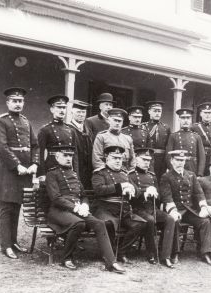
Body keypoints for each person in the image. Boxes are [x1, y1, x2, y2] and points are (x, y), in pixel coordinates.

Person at [45, 145, 125, 273]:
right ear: (57, 157)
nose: (68, 158)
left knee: (99, 223)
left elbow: (83, 195)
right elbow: (56, 198)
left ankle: (111, 262)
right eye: (65, 155)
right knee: (79, 223)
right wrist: (75, 207)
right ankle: (66, 258)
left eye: (70, 156)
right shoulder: (52, 174)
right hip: (58, 211)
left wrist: (85, 205)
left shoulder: (74, 174)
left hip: (77, 209)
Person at [0, 87, 39, 259]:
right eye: (14, 101)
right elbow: (1, 147)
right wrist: (16, 165)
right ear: (8, 103)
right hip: (8, 170)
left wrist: (34, 163)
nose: (18, 104)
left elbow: (35, 145)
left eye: (20, 101)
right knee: (6, 207)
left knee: (17, 205)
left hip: (26, 170)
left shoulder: (26, 121)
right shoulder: (1, 121)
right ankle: (6, 245)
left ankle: (13, 242)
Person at [91, 146, 149, 264]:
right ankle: (110, 254)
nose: (118, 161)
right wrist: (119, 187)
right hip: (105, 208)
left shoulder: (124, 174)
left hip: (123, 210)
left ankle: (121, 252)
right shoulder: (100, 173)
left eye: (120, 158)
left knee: (140, 224)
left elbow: (137, 192)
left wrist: (132, 189)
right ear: (107, 158)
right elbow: (98, 190)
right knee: (108, 224)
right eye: (114, 158)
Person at [159, 150, 211, 266]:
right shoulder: (166, 176)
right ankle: (175, 253)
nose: (180, 163)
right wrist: (173, 211)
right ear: (172, 161)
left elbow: (199, 193)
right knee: (174, 221)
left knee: (205, 221)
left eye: (182, 160)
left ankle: (205, 253)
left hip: (189, 210)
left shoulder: (191, 175)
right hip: (176, 210)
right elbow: (166, 196)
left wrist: (203, 207)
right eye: (178, 160)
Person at [128, 148, 177, 268]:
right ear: (136, 160)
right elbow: (131, 196)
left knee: (170, 219)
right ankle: (151, 253)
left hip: (152, 208)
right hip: (137, 209)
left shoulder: (152, 176)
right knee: (149, 220)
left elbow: (160, 196)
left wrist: (155, 193)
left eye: (148, 160)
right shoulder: (130, 176)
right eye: (144, 160)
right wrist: (145, 192)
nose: (146, 163)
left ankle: (166, 255)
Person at [37, 95, 79, 177]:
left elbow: (75, 155)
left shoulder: (71, 130)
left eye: (64, 108)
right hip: (52, 168)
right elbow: (40, 154)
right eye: (59, 107)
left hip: (68, 169)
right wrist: (41, 174)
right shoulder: (45, 130)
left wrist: (75, 172)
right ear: (52, 109)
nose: (62, 110)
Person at [165, 108, 206, 176]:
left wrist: (200, 174)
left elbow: (202, 157)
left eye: (188, 118)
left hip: (192, 168)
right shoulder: (173, 136)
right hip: (177, 167)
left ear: (191, 120)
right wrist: (173, 170)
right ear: (179, 120)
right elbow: (168, 156)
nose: (185, 120)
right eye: (183, 118)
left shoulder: (197, 137)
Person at [68, 100, 94, 189]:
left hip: (88, 170)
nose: (81, 114)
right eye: (78, 112)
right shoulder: (68, 129)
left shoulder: (88, 130)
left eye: (83, 112)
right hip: (75, 168)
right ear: (72, 112)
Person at [191, 102, 211, 175]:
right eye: (205, 112)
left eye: (209, 113)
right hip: (198, 158)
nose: (207, 115)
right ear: (200, 114)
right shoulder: (194, 127)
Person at [144, 101, 170, 180]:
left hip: (162, 160)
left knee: (161, 179)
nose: (157, 113)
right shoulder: (144, 126)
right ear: (149, 111)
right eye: (155, 111)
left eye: (159, 111)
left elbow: (168, 146)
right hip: (148, 158)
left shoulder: (166, 127)